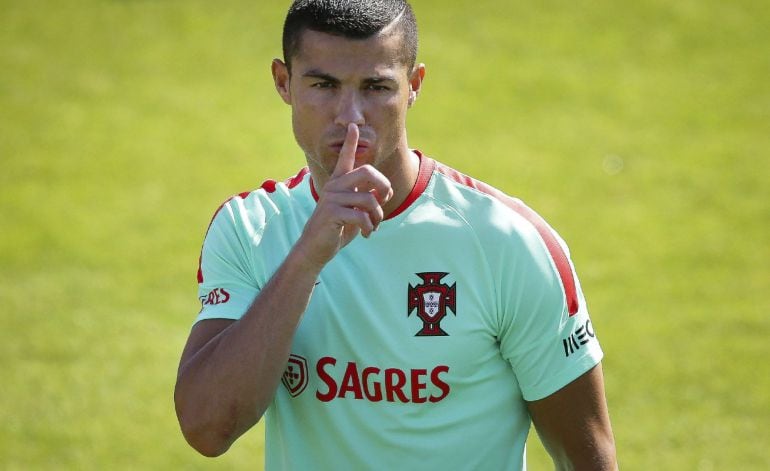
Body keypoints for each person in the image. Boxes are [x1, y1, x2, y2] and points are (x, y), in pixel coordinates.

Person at [174, 0, 617, 469]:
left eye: (376, 87)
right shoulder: (251, 229)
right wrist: (306, 258)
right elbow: (207, 427)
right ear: (283, 82)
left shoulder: (508, 242)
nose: (350, 115)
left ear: (414, 86)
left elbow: (587, 456)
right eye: (323, 85)